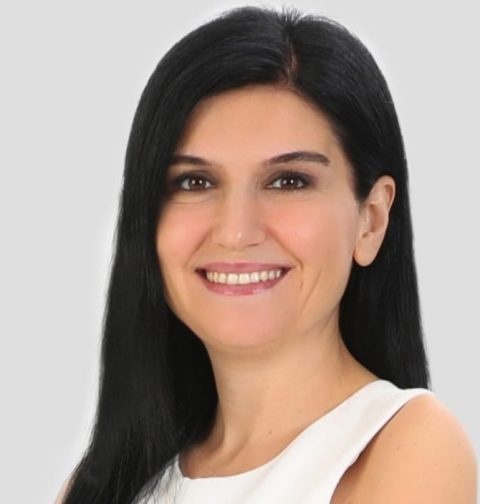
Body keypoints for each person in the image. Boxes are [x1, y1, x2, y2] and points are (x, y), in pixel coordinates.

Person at [56, 6, 477, 503]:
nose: (236, 232)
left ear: (371, 220)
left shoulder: (406, 447)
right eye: (195, 182)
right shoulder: (101, 485)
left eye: (289, 181)